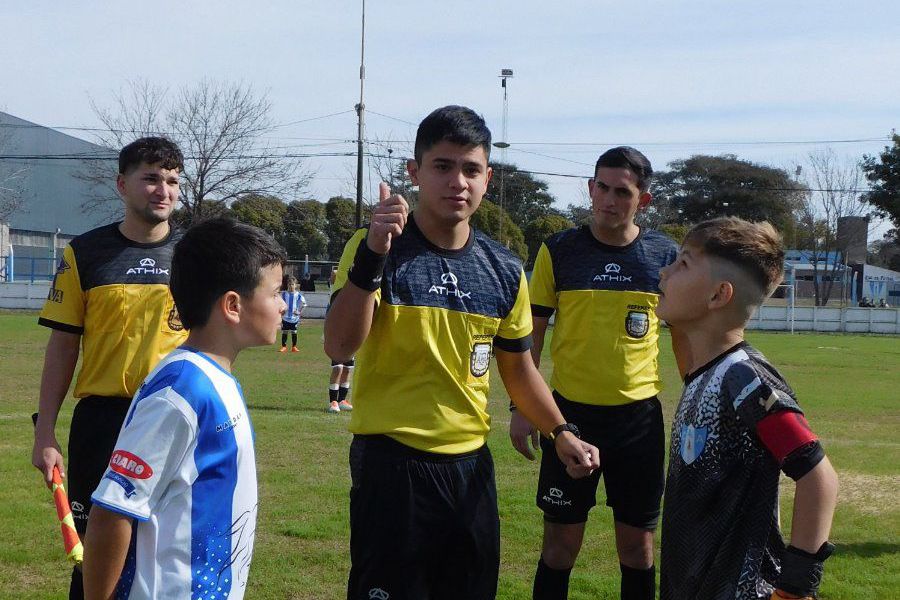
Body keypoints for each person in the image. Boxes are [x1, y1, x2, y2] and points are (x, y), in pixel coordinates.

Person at [324, 105, 600, 600]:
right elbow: (340, 345)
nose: (458, 182)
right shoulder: (376, 247)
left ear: (487, 178)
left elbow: (519, 370)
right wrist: (373, 255)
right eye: (443, 166)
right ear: (414, 172)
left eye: (471, 169)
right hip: (393, 465)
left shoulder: (503, 266)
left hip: (470, 468)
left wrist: (559, 431)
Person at [82, 218, 287, 600]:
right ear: (232, 305)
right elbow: (113, 511)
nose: (282, 304)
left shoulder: (214, 378)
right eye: (275, 292)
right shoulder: (182, 391)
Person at [510, 146, 678, 600]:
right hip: (567, 418)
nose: (608, 199)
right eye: (601, 187)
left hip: (639, 422)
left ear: (642, 199)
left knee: (638, 548)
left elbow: (684, 336)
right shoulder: (559, 250)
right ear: (590, 188)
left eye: (621, 192)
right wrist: (523, 408)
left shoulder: (665, 255)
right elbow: (531, 337)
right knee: (560, 547)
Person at [31, 137, 187, 600]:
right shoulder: (86, 253)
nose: (163, 190)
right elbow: (62, 346)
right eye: (151, 179)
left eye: (173, 181)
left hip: (173, 422)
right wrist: (45, 433)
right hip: (102, 423)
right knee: (95, 558)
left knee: (168, 551)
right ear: (122, 184)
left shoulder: (197, 255)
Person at [655, 217, 838, 600]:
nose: (664, 271)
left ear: (718, 295)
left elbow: (818, 478)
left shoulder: (745, 379)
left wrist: (795, 589)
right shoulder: (703, 373)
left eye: (683, 263)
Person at [279, 273, 306, 352]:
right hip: (285, 317)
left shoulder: (298, 295)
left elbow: (304, 304)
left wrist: (299, 312)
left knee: (294, 332)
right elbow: (279, 303)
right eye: (290, 284)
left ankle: (294, 347)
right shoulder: (283, 294)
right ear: (287, 285)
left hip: (294, 318)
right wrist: (281, 310)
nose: (291, 286)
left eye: (293, 284)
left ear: (296, 285)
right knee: (285, 331)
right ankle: (284, 347)